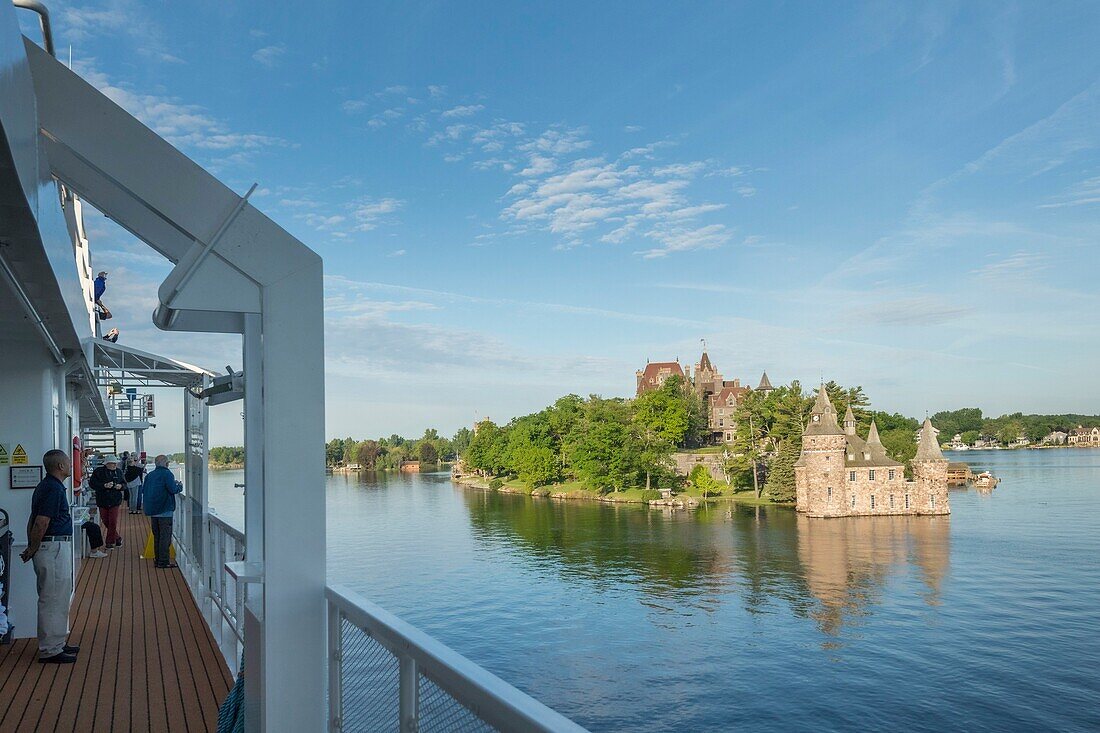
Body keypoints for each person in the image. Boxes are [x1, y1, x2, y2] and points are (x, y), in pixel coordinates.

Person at [20, 449, 80, 663]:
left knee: (57, 598)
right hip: (53, 549)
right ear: (61, 467)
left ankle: (57, 642)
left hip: (50, 548)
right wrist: (33, 547)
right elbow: (41, 522)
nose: (72, 464)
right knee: (52, 599)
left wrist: (31, 546)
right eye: (68, 462)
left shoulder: (45, 487)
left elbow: (33, 519)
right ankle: (51, 650)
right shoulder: (53, 489)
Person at [142, 455, 182, 569]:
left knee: (157, 536)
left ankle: (158, 559)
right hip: (164, 510)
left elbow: (144, 490)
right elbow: (173, 489)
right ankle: (164, 562)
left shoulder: (149, 475)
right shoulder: (167, 474)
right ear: (166, 463)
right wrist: (179, 486)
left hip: (153, 510)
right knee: (165, 537)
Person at [90, 454, 125, 548]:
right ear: (106, 464)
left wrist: (120, 486)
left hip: (115, 500)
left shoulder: (119, 472)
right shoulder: (98, 472)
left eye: (115, 463)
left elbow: (124, 484)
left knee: (112, 521)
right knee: (105, 520)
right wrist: (104, 485)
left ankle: (109, 542)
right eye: (112, 463)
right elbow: (92, 484)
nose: (114, 465)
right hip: (103, 500)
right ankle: (117, 538)